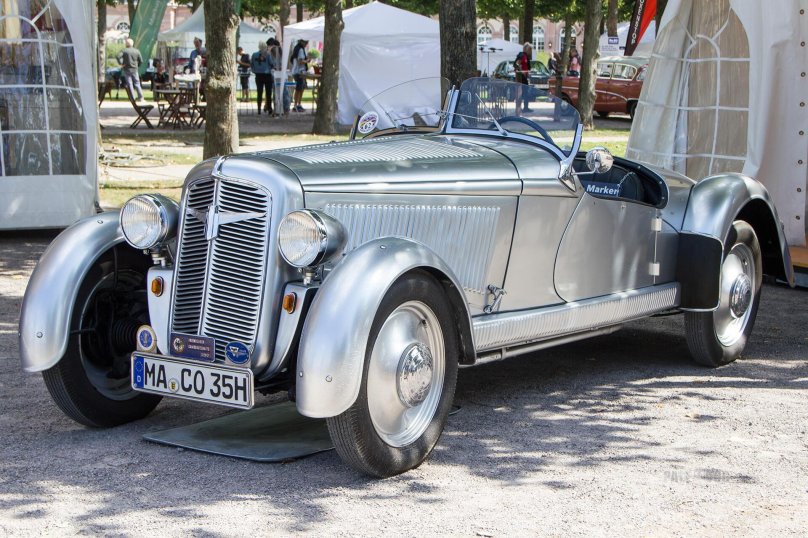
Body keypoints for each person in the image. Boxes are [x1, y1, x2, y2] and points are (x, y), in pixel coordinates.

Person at [117, 38, 145, 103]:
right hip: (135, 69)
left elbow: (118, 56)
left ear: (126, 44)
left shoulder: (124, 51)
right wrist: (137, 66)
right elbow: (141, 61)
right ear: (132, 44)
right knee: (137, 83)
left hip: (127, 69)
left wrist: (121, 64)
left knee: (130, 84)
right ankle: (141, 97)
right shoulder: (137, 51)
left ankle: (132, 98)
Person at [250, 41, 274, 115]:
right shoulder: (268, 54)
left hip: (258, 75)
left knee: (259, 92)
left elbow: (251, 64)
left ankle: (259, 109)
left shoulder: (254, 55)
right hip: (267, 75)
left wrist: (255, 70)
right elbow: (271, 63)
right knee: (268, 93)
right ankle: (269, 108)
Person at [291, 38, 309, 113]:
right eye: (306, 42)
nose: (306, 44)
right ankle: (296, 105)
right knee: (299, 89)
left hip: (297, 72)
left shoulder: (296, 48)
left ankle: (297, 104)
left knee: (300, 88)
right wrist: (307, 60)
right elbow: (300, 62)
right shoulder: (301, 50)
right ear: (302, 42)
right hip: (299, 72)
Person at [514, 42, 532, 113]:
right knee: (521, 93)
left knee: (525, 92)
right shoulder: (522, 55)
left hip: (524, 76)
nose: (530, 51)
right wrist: (521, 70)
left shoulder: (525, 56)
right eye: (529, 49)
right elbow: (516, 64)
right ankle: (519, 108)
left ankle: (525, 107)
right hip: (521, 77)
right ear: (526, 49)